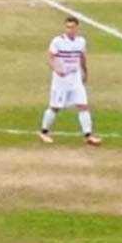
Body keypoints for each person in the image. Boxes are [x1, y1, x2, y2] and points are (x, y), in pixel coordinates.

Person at [38, 16, 102, 146]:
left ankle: (88, 135)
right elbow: (49, 58)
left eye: (72, 27)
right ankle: (44, 131)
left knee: (83, 105)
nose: (69, 30)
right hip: (61, 80)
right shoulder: (57, 41)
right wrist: (57, 69)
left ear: (76, 28)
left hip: (75, 78)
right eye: (67, 27)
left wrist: (85, 72)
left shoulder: (81, 41)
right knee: (55, 107)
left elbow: (82, 57)